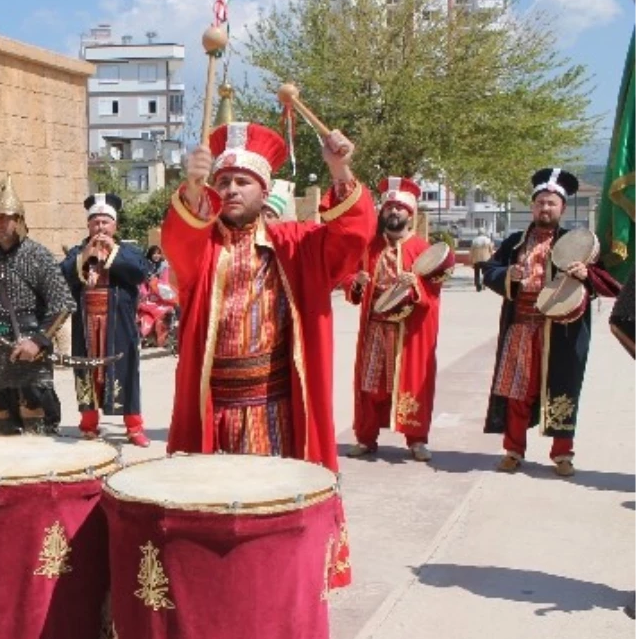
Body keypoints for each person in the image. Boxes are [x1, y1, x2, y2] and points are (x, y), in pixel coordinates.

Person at [162, 121, 375, 469]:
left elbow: (352, 235)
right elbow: (179, 240)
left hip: (273, 405)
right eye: (223, 182)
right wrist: (192, 189)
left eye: (243, 182)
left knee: (267, 502)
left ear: (264, 193)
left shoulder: (296, 245)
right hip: (212, 402)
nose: (231, 189)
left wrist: (340, 168)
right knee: (209, 502)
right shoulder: (203, 250)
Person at [481, 168, 617, 476]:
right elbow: (489, 270)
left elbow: (610, 282)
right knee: (517, 391)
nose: (545, 208)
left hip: (562, 331)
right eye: (540, 202)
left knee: (564, 388)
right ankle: (513, 450)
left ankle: (562, 454)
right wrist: (508, 276)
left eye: (551, 203)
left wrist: (587, 275)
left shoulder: (578, 243)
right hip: (521, 326)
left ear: (563, 208)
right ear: (532, 206)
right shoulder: (515, 242)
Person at [344, 177, 454, 462]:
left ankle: (416, 440)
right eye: (389, 207)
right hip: (375, 328)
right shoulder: (370, 249)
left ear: (410, 214)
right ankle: (366, 438)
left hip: (409, 332)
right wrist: (357, 282)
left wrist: (415, 283)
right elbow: (349, 281)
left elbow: (435, 289)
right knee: (370, 385)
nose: (393, 212)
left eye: (399, 208)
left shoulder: (422, 249)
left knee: (412, 382)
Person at [0, 175, 76, 435]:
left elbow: (62, 303)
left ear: (19, 220)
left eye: (5, 217)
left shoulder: (37, 255)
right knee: (2, 431)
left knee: (37, 432)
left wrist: (37, 340)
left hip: (29, 354)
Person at [60, 193, 151, 446]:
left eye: (105, 222)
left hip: (118, 324)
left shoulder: (128, 251)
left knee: (125, 372)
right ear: (88, 226)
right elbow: (61, 277)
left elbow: (139, 273)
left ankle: (134, 427)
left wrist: (111, 255)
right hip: (86, 324)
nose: (100, 227)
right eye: (95, 222)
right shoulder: (79, 251)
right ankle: (88, 424)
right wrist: (84, 256)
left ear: (115, 226)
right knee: (86, 372)